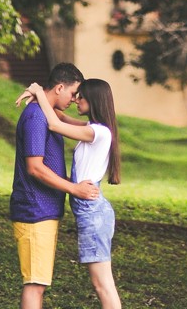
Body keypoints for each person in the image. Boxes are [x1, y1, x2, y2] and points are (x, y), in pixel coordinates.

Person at [24, 77, 122, 309]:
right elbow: (59, 117)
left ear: (94, 100)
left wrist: (38, 90)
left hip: (92, 212)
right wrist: (40, 97)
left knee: (103, 285)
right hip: (90, 210)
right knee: (101, 284)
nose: (76, 100)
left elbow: (54, 125)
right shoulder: (92, 128)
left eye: (81, 96)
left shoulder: (98, 132)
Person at [10, 62, 100, 309]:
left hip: (44, 210)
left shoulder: (47, 113)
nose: (75, 99)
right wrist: (74, 188)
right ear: (59, 88)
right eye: (73, 93)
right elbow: (35, 167)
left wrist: (38, 91)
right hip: (34, 210)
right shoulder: (36, 117)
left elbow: (81, 125)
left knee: (39, 282)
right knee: (35, 284)